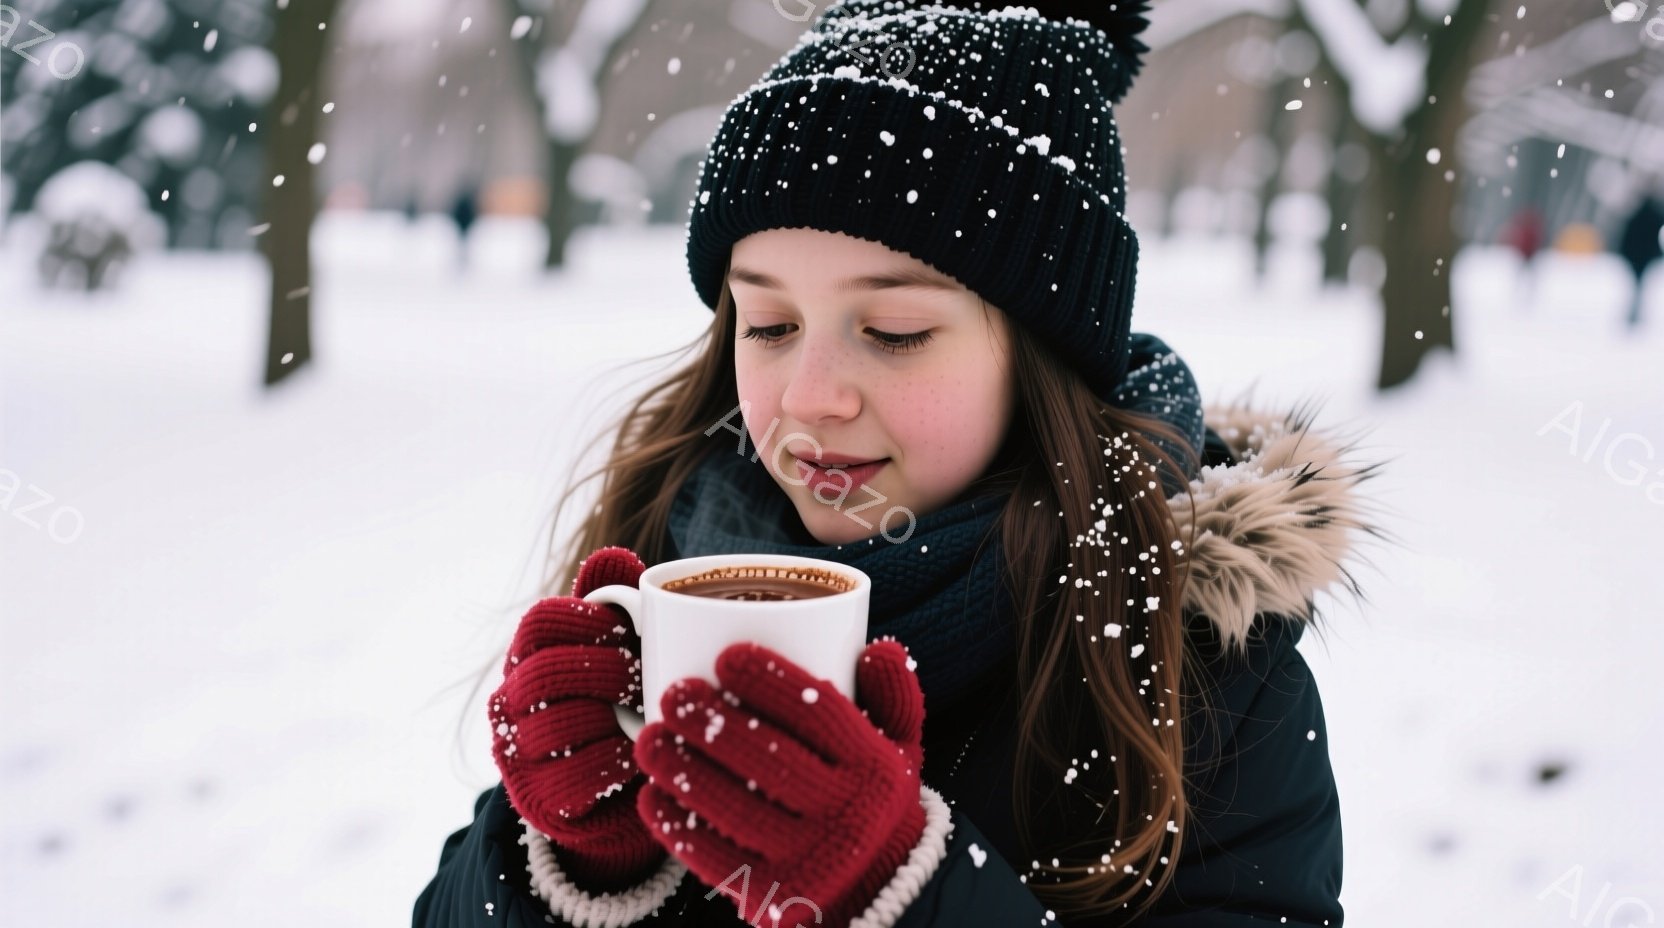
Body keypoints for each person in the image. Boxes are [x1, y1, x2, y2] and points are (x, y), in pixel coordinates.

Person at [414, 1, 1385, 924]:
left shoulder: (1197, 676)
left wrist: (901, 890)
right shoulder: (663, 559)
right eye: (769, 322)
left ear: (1041, 358)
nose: (806, 395)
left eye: (892, 328)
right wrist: (570, 864)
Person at [1617, 195, 1663, 328]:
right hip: (1643, 258)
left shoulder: (1635, 216)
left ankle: (1634, 313)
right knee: (1638, 286)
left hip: (1635, 257)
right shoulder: (1655, 216)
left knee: (1636, 286)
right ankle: (1635, 313)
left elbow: (1627, 237)